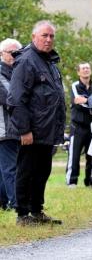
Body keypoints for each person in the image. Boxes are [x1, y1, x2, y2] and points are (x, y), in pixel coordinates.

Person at [8, 21, 65, 225]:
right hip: (31, 131)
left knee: (42, 172)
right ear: (34, 37)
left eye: (51, 36)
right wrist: (24, 130)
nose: (48, 40)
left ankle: (36, 210)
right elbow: (16, 99)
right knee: (26, 171)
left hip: (47, 131)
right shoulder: (26, 61)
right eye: (44, 36)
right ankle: (22, 215)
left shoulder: (49, 61)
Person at [66, 62, 92, 188]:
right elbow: (77, 101)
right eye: (83, 68)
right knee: (74, 155)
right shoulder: (75, 86)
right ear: (78, 72)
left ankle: (89, 182)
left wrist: (88, 100)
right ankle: (72, 182)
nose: (85, 70)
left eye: (87, 68)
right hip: (77, 127)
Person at [0, 38, 22, 211]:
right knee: (11, 168)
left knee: (5, 169)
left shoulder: (19, 72)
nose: (15, 56)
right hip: (5, 128)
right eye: (11, 52)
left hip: (18, 127)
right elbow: (10, 100)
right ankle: (17, 205)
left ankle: (4, 203)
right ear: (1, 54)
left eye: (18, 53)